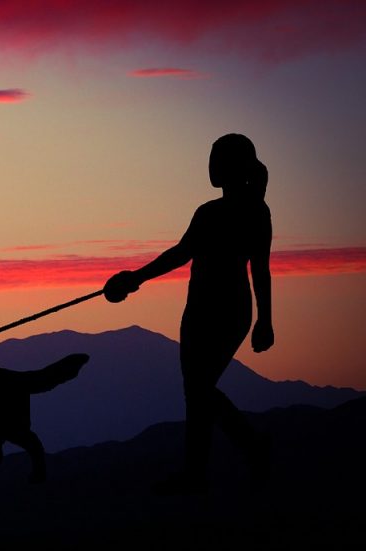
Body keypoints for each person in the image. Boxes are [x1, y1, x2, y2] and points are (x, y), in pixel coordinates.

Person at [103, 133, 273, 494]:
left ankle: (247, 448)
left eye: (217, 159)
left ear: (231, 166)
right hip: (203, 309)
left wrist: (266, 320)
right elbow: (182, 254)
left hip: (222, 310)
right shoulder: (222, 212)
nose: (210, 166)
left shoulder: (243, 212)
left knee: (198, 390)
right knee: (196, 393)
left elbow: (259, 268)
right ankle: (199, 473)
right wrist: (135, 279)